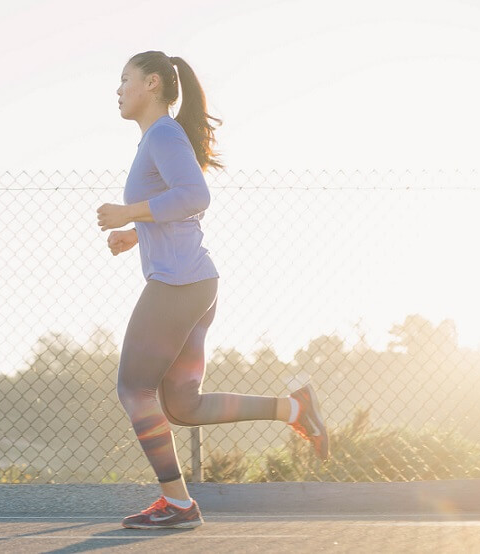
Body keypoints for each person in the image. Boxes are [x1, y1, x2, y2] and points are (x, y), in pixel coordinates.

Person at [97, 51, 330, 530]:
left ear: (153, 84)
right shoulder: (156, 139)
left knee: (133, 388)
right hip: (195, 283)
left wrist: (128, 213)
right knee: (182, 405)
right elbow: (178, 206)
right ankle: (295, 408)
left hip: (179, 284)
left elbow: (196, 196)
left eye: (125, 80)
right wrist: (136, 232)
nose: (118, 90)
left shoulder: (162, 133)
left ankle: (179, 505)